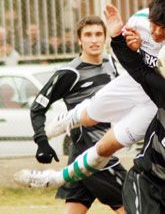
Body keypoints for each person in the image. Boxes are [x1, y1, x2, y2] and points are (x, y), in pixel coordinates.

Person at [15, 5, 165, 214]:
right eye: (155, 27)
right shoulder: (139, 22)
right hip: (148, 88)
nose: (157, 33)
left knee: (106, 147)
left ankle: (56, 178)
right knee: (91, 114)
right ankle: (63, 123)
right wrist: (120, 38)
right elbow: (134, 66)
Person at [30, 16, 126, 214]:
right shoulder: (70, 72)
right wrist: (42, 141)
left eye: (99, 34)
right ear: (79, 40)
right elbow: (38, 107)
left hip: (82, 154)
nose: (94, 40)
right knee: (134, 206)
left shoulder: (111, 65)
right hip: (94, 154)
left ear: (105, 37)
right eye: (88, 35)